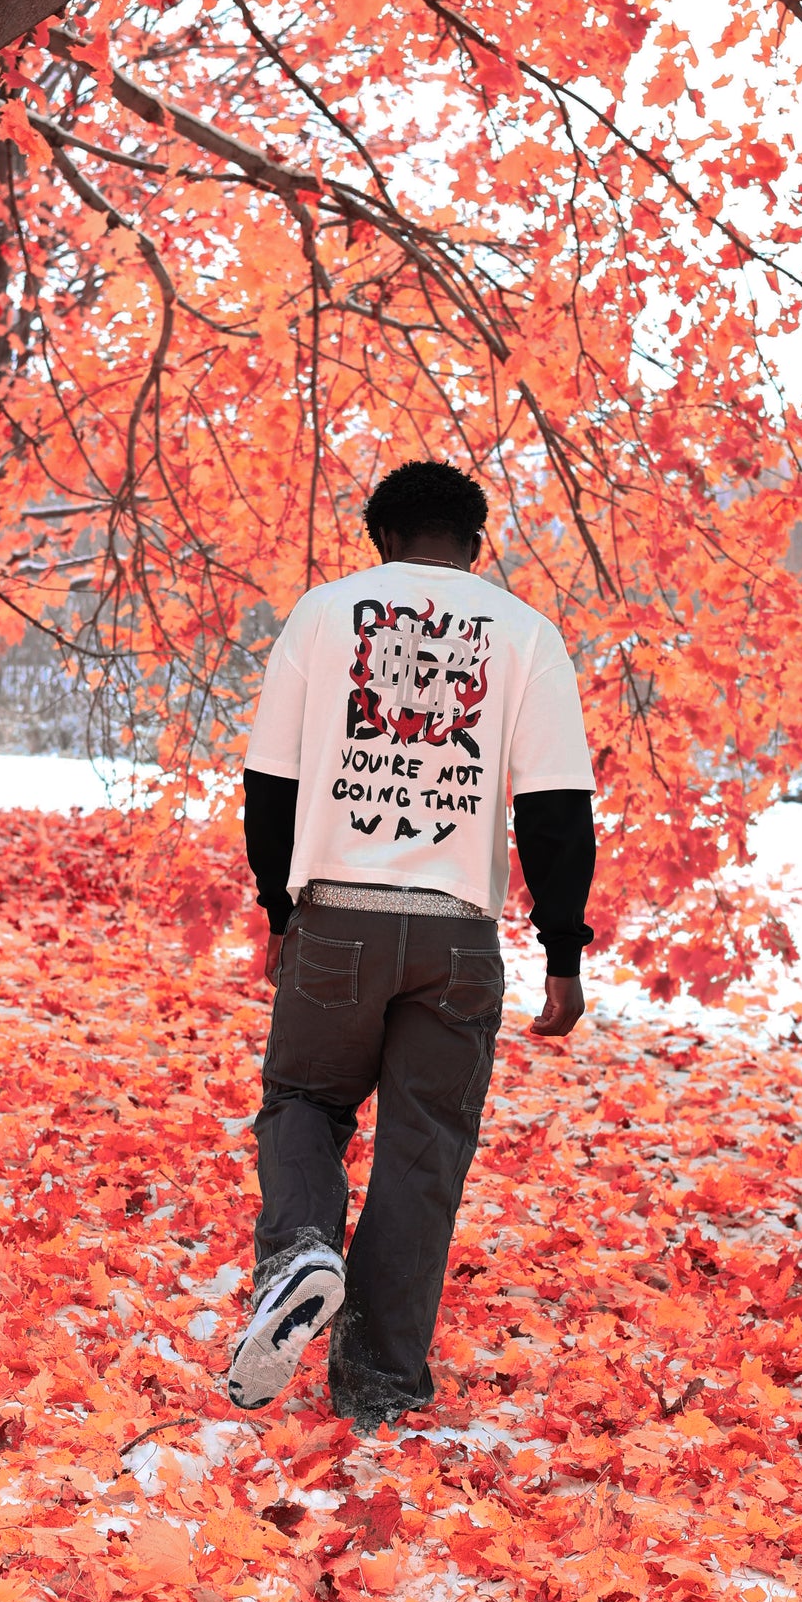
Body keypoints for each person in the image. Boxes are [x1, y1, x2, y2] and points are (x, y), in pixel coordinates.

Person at [229, 459, 597, 1435]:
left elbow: (269, 784)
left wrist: (278, 911)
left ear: (382, 540)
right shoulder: (525, 633)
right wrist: (562, 951)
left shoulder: (324, 614)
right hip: (456, 935)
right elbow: (555, 808)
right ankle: (378, 1388)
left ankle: (301, 1249)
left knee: (303, 1101)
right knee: (423, 1152)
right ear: (473, 545)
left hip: (337, 915)